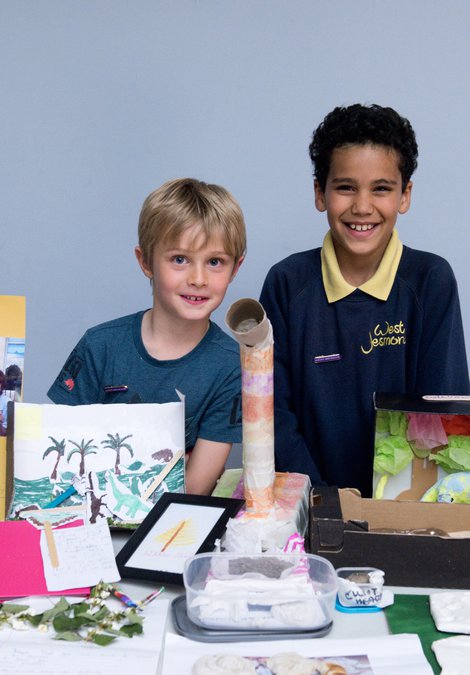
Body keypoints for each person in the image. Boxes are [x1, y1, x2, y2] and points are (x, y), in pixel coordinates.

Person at [260, 104, 470, 498]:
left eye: (381, 188)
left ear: (404, 195)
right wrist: (321, 499)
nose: (362, 206)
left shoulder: (431, 282)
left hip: (406, 509)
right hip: (308, 503)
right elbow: (272, 417)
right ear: (319, 193)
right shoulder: (287, 284)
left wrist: (392, 507)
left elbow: (442, 414)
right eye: (345, 187)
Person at [48, 178, 246, 495]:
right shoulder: (99, 346)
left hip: (174, 534)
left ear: (235, 268)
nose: (198, 279)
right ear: (145, 262)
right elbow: (60, 459)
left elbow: (194, 488)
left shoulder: (232, 367)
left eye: (214, 262)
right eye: (179, 259)